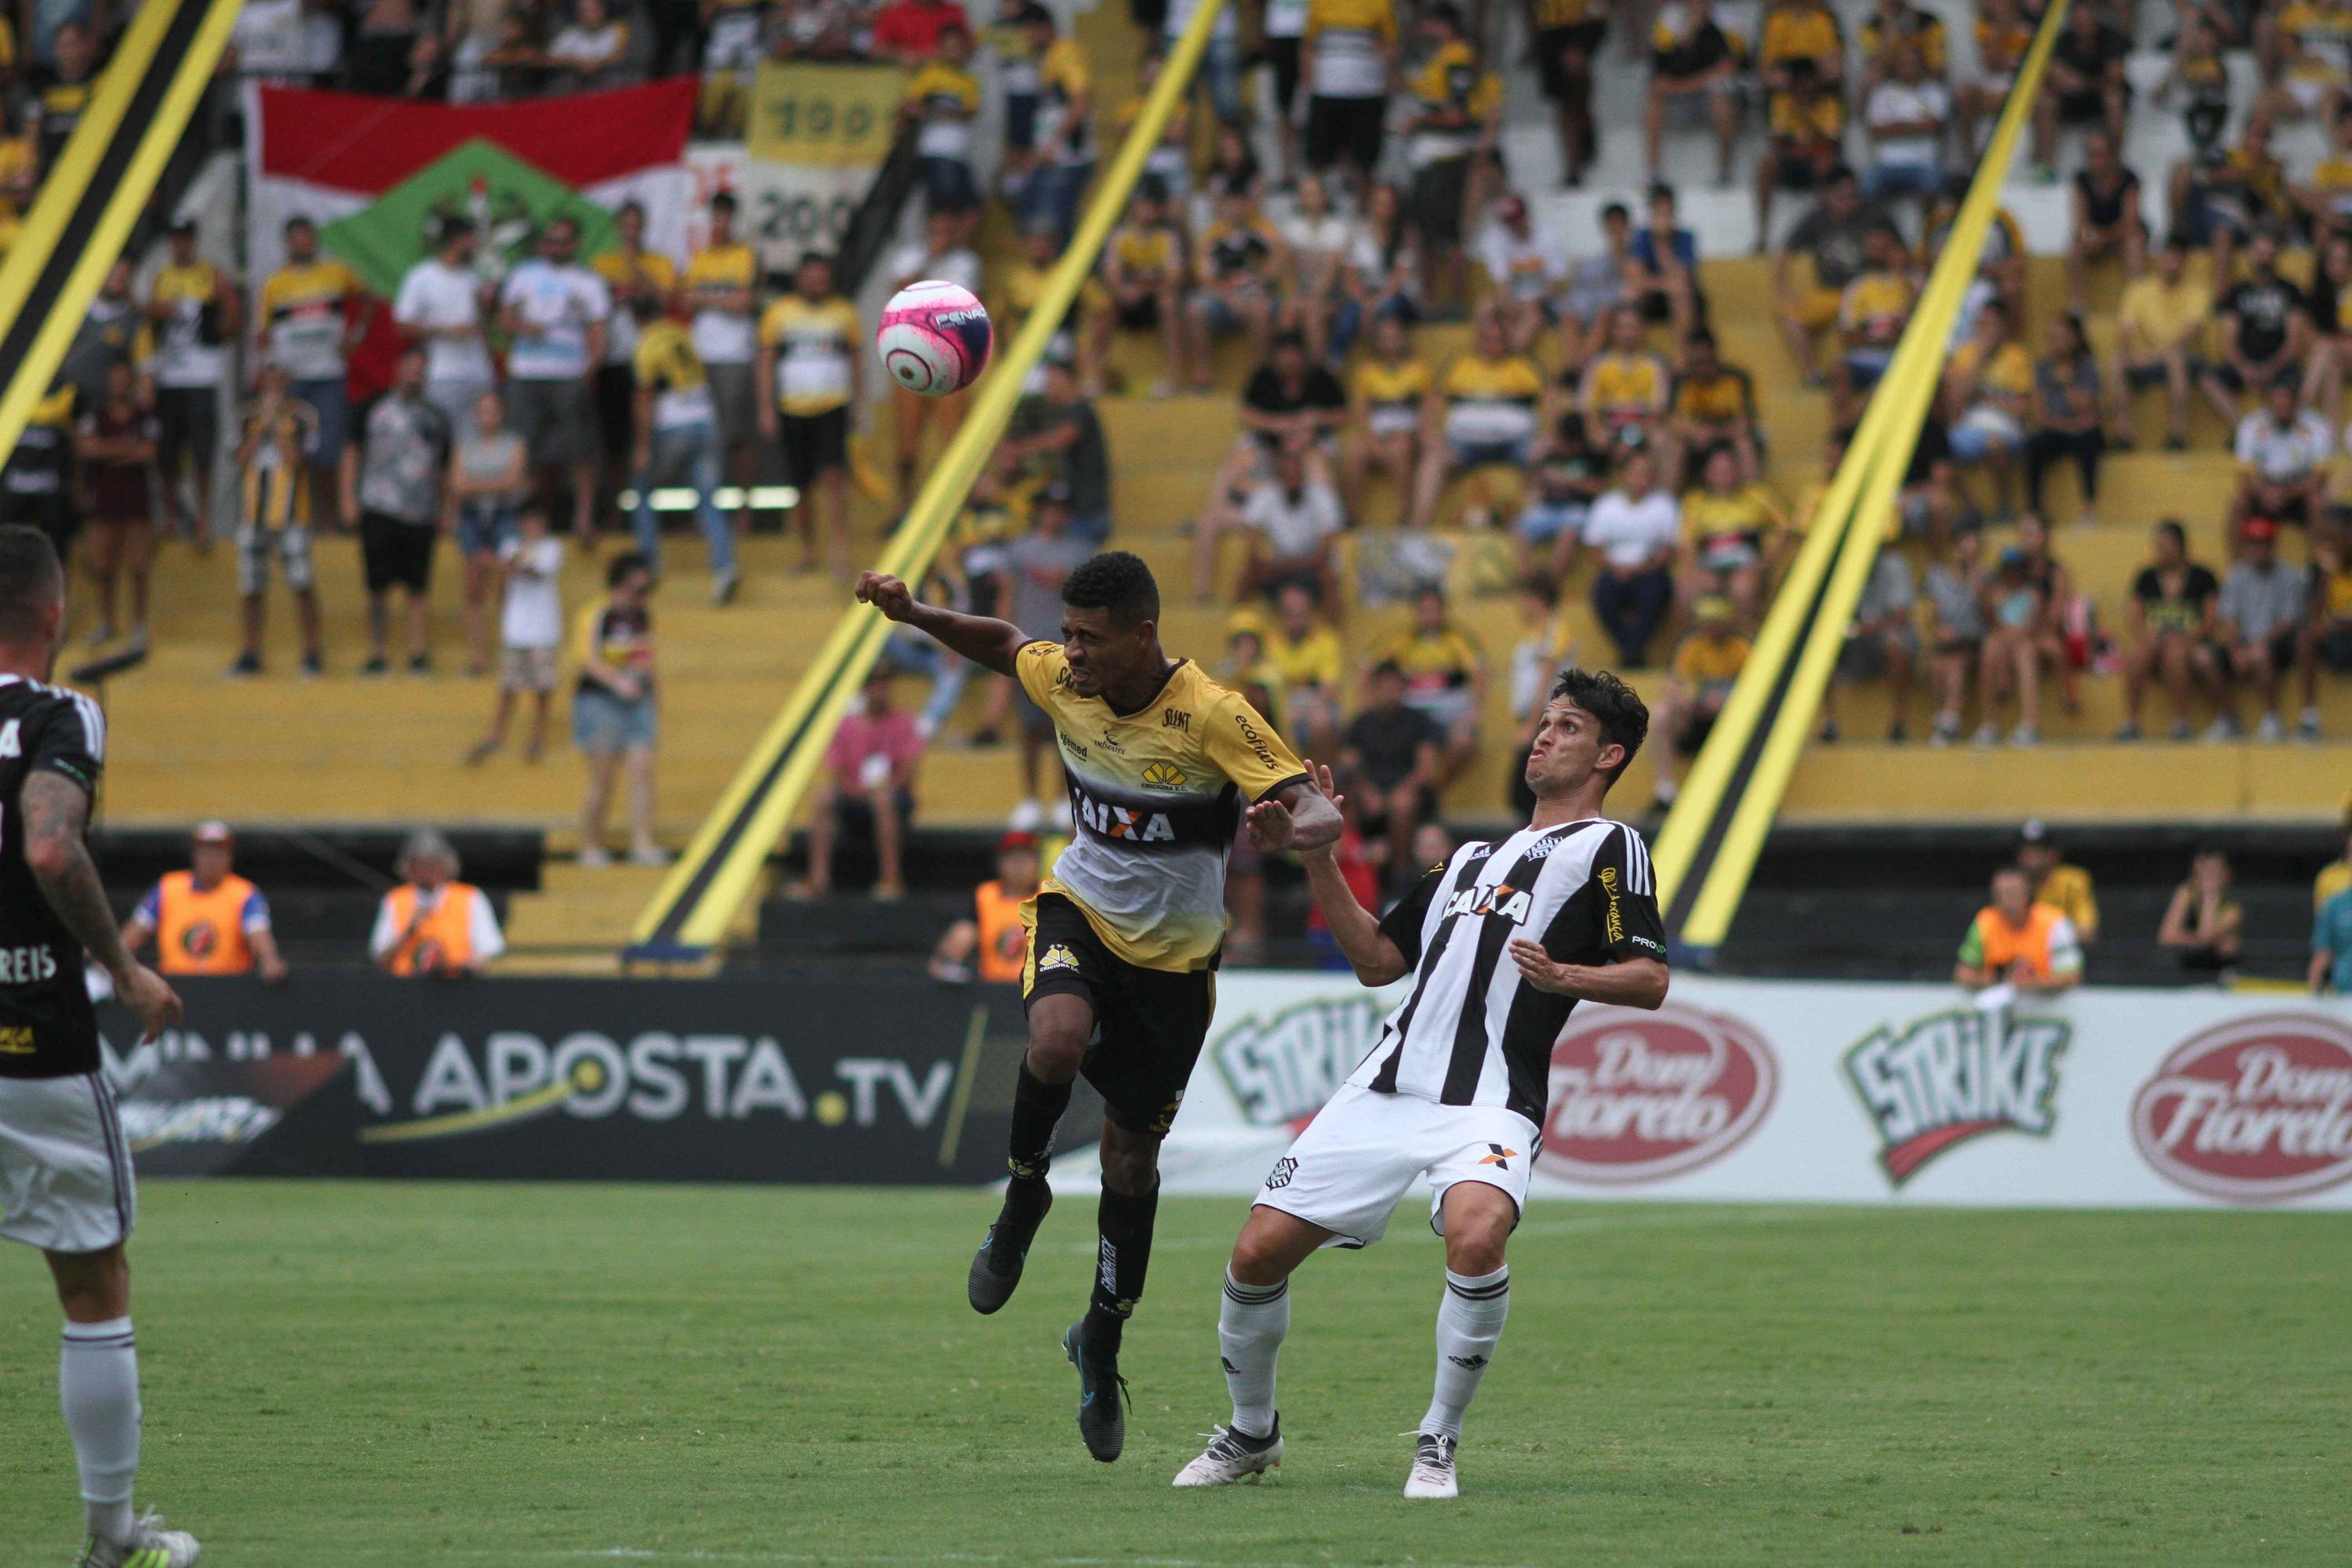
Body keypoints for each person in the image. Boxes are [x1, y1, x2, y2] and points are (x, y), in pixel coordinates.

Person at [854, 549, 1337, 1461]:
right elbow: (1003, 642)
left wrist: (1289, 829)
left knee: (1131, 1164)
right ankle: (1023, 1193)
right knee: (1056, 1038)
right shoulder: (1063, 679)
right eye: (1067, 633)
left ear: (1142, 635)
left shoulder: (1213, 713)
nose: (1070, 652)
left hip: (1176, 964)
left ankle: (1101, 1337)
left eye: (1089, 637)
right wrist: (915, 615)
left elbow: (1315, 808)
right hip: (1079, 910)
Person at [1171, 670, 1665, 1498]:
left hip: (1490, 1099)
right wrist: (1319, 855)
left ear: (1608, 755)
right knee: (1255, 1254)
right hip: (1386, 1087)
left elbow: (1649, 978)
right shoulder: (1465, 859)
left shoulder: (1612, 846)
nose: (1544, 736)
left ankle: (1438, 1441)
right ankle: (1252, 1432)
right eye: (1544, 722)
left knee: (1476, 1236)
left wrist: (1565, 974)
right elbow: (1376, 960)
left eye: (1568, 727)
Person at [0, 524, 200, 1568]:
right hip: (29, 1036)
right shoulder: (59, 714)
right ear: (56, 614)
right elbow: (48, 844)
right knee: (90, 1284)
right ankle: (112, 1537)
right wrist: (124, 969)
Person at [498, 216, 610, 542]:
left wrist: (587, 371)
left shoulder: (587, 281)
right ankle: (528, 520)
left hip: (568, 374)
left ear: (574, 244)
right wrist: (525, 327)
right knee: (526, 451)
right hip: (526, 372)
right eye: (550, 241)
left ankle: (583, 517)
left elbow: (598, 332)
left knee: (580, 450)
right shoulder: (524, 274)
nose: (555, 247)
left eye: (562, 241)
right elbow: (504, 320)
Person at [343, 348, 451, 677]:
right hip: (379, 505)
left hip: (420, 511)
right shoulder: (373, 408)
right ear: (397, 369)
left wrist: (447, 508)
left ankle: (418, 653)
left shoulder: (436, 416)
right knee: (378, 586)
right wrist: (348, 498)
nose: (415, 374)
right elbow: (351, 452)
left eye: (421, 368)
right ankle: (378, 652)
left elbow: (445, 466)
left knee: (418, 587)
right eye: (410, 367)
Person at [757, 252, 863, 579]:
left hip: (832, 406)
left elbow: (856, 360)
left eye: (823, 278)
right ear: (799, 278)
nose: (819, 283)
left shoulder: (844, 312)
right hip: (792, 408)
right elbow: (766, 363)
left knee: (834, 478)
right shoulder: (778, 314)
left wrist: (858, 403)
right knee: (800, 484)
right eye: (813, 277)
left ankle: (839, 551)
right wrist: (766, 409)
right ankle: (806, 550)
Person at [257, 215, 365, 530]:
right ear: (288, 243)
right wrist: (273, 378)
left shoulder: (336, 273)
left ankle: (330, 522)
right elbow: (264, 336)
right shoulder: (274, 283)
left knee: (329, 453)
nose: (303, 244)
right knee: (293, 451)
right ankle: (302, 520)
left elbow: (368, 297)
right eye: (297, 239)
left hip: (329, 376)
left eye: (308, 238)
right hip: (293, 380)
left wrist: (356, 334)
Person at [628, 293, 736, 603]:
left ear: (634, 319)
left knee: (642, 487)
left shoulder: (646, 345)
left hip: (674, 425)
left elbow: (644, 399)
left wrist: (642, 446)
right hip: (705, 419)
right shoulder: (681, 334)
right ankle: (725, 566)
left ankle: (649, 563)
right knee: (707, 497)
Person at [228, 364, 324, 680]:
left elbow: (298, 460)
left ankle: (312, 652)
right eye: (268, 381)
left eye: (278, 382)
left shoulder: (303, 416)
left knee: (302, 583)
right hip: (253, 514)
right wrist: (261, 427)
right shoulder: (245, 416)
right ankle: (250, 652)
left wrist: (277, 425)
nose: (273, 388)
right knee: (251, 587)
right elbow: (239, 457)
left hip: (292, 515)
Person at [147, 220, 238, 550]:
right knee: (167, 452)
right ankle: (171, 516)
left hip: (201, 376)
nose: (181, 245)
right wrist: (160, 312)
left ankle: (203, 521)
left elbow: (234, 318)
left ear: (194, 241)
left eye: (185, 239)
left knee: (203, 453)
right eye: (176, 239)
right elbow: (149, 320)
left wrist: (212, 333)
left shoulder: (211, 276)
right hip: (170, 377)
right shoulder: (162, 278)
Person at [572, 550, 663, 868]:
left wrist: (652, 694)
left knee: (642, 770)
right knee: (603, 776)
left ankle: (642, 842)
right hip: (600, 700)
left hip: (637, 699)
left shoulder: (642, 615)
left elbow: (647, 655)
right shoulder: (597, 613)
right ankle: (590, 844)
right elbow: (587, 659)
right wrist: (617, 682)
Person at [801, 664, 925, 899]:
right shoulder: (846, 725)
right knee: (824, 797)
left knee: (883, 800)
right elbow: (837, 771)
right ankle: (818, 879)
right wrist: (856, 790)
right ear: (865, 689)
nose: (882, 690)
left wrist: (877, 789)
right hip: (855, 796)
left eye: (885, 684)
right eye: (876, 684)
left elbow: (906, 774)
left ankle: (891, 880)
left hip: (891, 797)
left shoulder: (903, 722)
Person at [590, 202, 677, 514]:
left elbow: (666, 301)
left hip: (650, 359)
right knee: (614, 440)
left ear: (643, 228)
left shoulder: (660, 263)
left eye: (635, 225)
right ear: (618, 227)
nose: (630, 230)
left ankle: (647, 508)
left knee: (649, 436)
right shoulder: (601, 264)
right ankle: (613, 511)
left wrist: (635, 267)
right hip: (613, 360)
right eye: (625, 224)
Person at [120, 821, 287, 982]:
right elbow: (133, 934)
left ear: (229, 856)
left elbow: (258, 932)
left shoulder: (244, 893)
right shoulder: (168, 888)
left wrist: (269, 959)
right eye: (205, 851)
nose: (211, 858)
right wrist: (115, 967)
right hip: (174, 987)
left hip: (227, 989)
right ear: (195, 854)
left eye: (218, 852)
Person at [684, 193, 762, 536]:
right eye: (715, 216)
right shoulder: (700, 258)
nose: (720, 223)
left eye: (726, 216)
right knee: (704, 437)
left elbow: (744, 303)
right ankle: (705, 512)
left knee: (738, 437)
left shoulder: (746, 256)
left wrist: (705, 297)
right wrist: (722, 298)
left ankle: (744, 509)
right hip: (700, 356)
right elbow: (687, 301)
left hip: (734, 356)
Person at [466, 503, 564, 764]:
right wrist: (500, 568)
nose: (534, 527)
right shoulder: (510, 548)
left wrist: (498, 563)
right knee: (508, 686)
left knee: (542, 688)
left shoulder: (551, 548)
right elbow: (504, 582)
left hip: (544, 630)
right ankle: (497, 734)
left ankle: (538, 736)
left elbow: (533, 569)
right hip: (516, 629)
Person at [72, 361, 156, 653]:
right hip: (104, 501)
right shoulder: (95, 415)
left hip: (136, 501)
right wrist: (126, 448)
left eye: (124, 379)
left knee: (138, 566)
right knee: (102, 565)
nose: (119, 385)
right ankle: (106, 622)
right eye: (115, 379)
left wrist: (106, 450)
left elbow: (148, 451)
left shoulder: (144, 416)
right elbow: (85, 448)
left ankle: (139, 625)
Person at [1338, 659, 1445, 883]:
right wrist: (1366, 791)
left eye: (1395, 687)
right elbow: (1349, 765)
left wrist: (1402, 790)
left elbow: (1426, 768)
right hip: (1369, 793)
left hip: (1408, 792)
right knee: (1342, 797)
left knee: (1401, 804)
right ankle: (1351, 862)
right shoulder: (1361, 723)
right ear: (1375, 689)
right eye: (1384, 686)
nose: (1390, 692)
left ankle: (1401, 872)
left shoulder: (1419, 722)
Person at [2118, 519, 2223, 741]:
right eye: (2159, 546)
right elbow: (2135, 615)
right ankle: (2131, 721)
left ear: (2180, 546)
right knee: (2136, 655)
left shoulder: (2203, 576)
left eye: (2167, 545)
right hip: (2156, 640)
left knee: (2175, 654)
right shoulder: (2146, 577)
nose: (2162, 551)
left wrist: (2189, 639)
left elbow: (2210, 617)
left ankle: (2181, 721)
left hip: (2189, 641)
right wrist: (2148, 637)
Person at [392, 217, 495, 440]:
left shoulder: (475, 278)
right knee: (441, 439)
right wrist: (448, 330)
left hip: (478, 372)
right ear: (457, 241)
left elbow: (481, 326)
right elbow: (403, 326)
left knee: (474, 443)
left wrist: (487, 308)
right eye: (472, 240)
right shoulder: (422, 277)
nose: (476, 246)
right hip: (442, 374)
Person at [448, 390, 527, 676]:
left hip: (504, 516)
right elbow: (457, 486)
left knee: (506, 584)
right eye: (483, 411)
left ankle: (509, 653)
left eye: (493, 411)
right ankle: (478, 657)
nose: (488, 417)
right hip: (473, 518)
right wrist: (497, 483)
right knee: (474, 586)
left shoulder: (514, 444)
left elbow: (514, 482)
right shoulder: (464, 446)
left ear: (502, 414)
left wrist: (475, 485)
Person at [1577, 448, 1679, 665]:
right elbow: (1594, 547)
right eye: (1635, 473)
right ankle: (1632, 651)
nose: (1639, 479)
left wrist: (1640, 569)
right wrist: (1616, 568)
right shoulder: (1606, 504)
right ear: (1623, 474)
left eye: (1645, 474)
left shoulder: (1664, 505)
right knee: (1603, 595)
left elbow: (1668, 549)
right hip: (1614, 570)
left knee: (1655, 595)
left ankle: (1630, 653)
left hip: (1650, 571)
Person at [2107, 238, 2212, 450]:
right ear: (2160, 260)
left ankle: (2178, 435)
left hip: (2180, 358)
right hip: (2146, 358)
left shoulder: (2199, 291)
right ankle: (2123, 435)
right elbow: (2125, 330)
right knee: (2117, 363)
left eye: (2177, 259)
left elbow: (2190, 335)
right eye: (2169, 258)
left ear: (2185, 263)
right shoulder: (2138, 289)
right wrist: (2128, 353)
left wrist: (2156, 355)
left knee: (2176, 360)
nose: (2172, 264)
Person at [2216, 516, 2309, 741]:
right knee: (2203, 658)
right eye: (2253, 543)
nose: (2258, 549)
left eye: (2263, 543)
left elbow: (2288, 622)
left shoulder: (2290, 576)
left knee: (2260, 654)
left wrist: (2256, 646)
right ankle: (2228, 719)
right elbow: (2228, 619)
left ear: (2273, 545)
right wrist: (2236, 649)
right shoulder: (2236, 575)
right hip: (2245, 643)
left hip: (2279, 643)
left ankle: (2271, 717)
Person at [1650, 595, 1748, 808]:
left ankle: (1737, 790)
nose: (1710, 627)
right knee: (1661, 714)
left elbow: (1754, 688)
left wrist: (1726, 703)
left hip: (1730, 720)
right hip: (1696, 719)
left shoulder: (1742, 648)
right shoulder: (1692, 647)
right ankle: (1665, 790)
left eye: (1716, 622)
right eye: (1706, 622)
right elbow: (1677, 685)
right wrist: (1693, 702)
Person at [371, 827, 505, 976]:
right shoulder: (395, 900)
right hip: (405, 985)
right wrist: (409, 931)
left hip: (456, 985)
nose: (426, 873)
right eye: (419, 866)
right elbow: (381, 959)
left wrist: (448, 967)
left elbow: (488, 954)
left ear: (445, 866)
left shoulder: (470, 897)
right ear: (408, 868)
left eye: (432, 866)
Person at [1301, 0, 1396, 203]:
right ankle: (1317, 208)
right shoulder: (1320, 3)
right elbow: (1308, 44)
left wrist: (1387, 82)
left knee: (1365, 161)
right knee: (1319, 158)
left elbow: (1390, 44)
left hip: (1367, 90)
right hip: (1327, 88)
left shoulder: (1381, 3)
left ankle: (1364, 210)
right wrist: (1308, 83)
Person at [929, 830, 1042, 983]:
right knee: (964, 930)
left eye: (1025, 858)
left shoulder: (1049, 895)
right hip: (992, 986)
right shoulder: (985, 896)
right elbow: (959, 937)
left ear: (1037, 862)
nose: (1019, 866)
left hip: (1039, 987)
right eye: (1013, 858)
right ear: (1000, 863)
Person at [1955, 866, 2083, 995]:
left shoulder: (2055, 923)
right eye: (2001, 893)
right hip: (1997, 999)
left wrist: (2028, 983)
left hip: (2048, 1002)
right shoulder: (1984, 922)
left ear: (2028, 893)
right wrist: (1992, 981)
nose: (2008, 899)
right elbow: (1962, 973)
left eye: (2013, 892)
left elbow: (2071, 977)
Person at [2160, 848, 2242, 977]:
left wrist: (2210, 897)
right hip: (2187, 965)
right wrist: (2195, 940)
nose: (2205, 879)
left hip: (2219, 969)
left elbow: (2206, 937)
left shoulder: (2232, 907)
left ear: (2226, 875)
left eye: (2212, 874)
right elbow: (2166, 936)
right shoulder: (2186, 892)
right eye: (2200, 874)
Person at [2016, 818, 2098, 946]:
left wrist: (2051, 934)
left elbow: (2087, 934)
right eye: (2026, 851)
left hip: (2060, 951)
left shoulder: (2072, 882)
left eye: (2037, 851)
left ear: (2053, 854)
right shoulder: (2011, 884)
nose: (2030, 857)